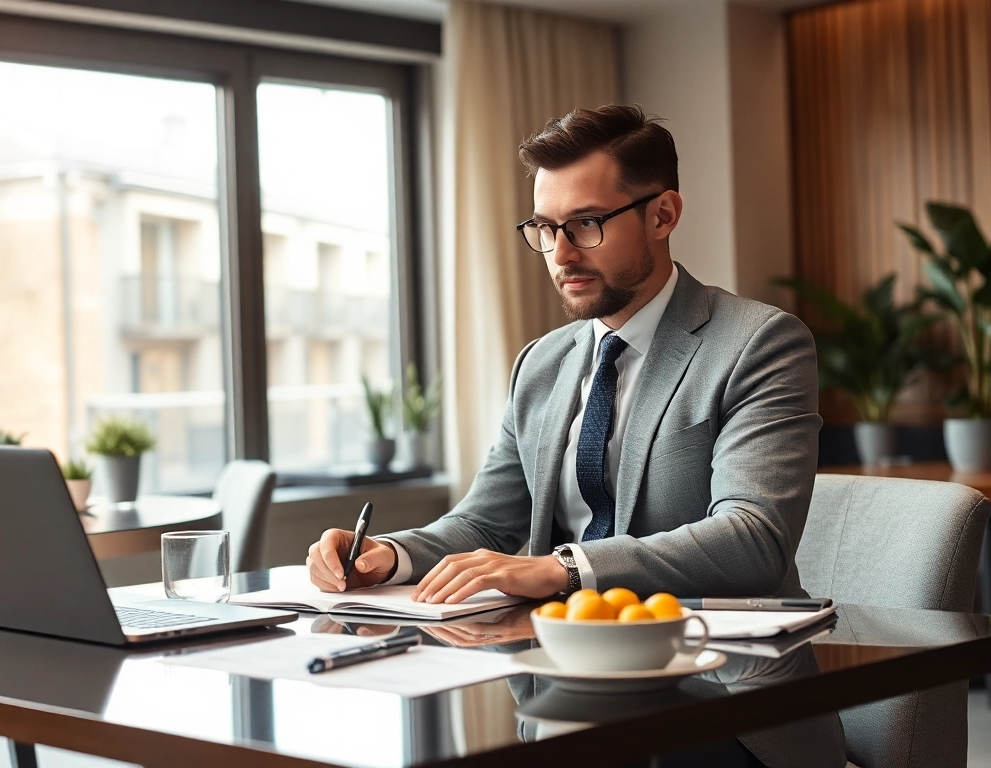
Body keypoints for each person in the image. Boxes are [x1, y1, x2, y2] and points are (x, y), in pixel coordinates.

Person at [306, 104, 820, 607]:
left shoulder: (759, 343)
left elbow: (753, 539)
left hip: (717, 666)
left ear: (663, 215)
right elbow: (484, 522)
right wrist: (387, 555)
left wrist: (564, 568)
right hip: (556, 654)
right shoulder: (540, 363)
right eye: (546, 229)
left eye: (587, 223)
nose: (562, 253)